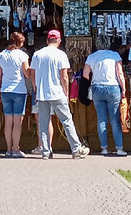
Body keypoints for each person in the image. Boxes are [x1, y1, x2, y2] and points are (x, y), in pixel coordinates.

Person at [29, 29, 89, 159]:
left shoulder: (37, 54)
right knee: (67, 121)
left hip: (42, 93)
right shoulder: (61, 55)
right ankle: (76, 148)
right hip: (57, 92)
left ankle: (45, 151)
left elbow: (32, 73)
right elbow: (64, 77)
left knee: (43, 123)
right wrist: (66, 93)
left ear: (47, 40)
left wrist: (35, 87)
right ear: (59, 40)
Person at [83, 35, 126, 156]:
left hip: (97, 88)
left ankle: (104, 148)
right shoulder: (115, 55)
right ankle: (119, 148)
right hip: (113, 87)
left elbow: (86, 74)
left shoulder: (92, 57)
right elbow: (120, 73)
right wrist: (123, 89)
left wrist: (93, 79)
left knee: (101, 119)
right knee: (114, 119)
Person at [0, 31, 30, 159]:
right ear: (20, 42)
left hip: (5, 90)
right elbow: (27, 74)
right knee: (17, 122)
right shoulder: (22, 55)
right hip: (19, 90)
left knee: (8, 121)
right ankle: (16, 148)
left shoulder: (1, 55)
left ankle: (8, 149)